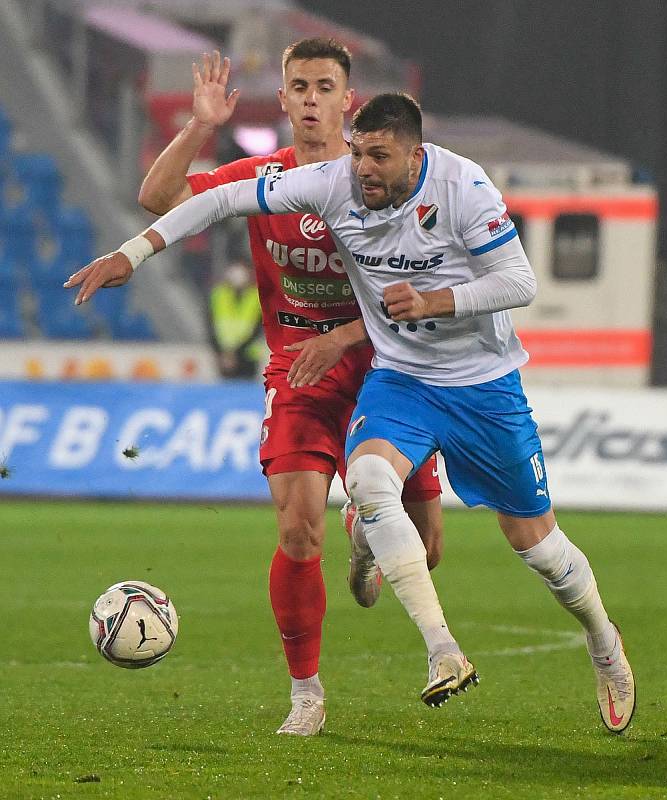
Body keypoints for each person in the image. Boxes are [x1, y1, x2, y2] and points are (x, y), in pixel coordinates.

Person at [65, 92, 636, 734]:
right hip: (401, 379)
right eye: (358, 152)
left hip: (482, 384)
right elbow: (221, 199)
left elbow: (519, 281)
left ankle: (602, 641)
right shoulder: (333, 182)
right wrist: (133, 253)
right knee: (366, 480)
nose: (363, 168)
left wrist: (434, 301)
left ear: (415, 156)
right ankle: (442, 650)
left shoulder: (463, 186)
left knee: (535, 545)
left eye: (379, 157)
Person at [134, 41, 444, 736]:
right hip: (298, 372)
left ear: (347, 101)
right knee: (296, 530)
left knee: (425, 551)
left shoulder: (377, 180)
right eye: (297, 85)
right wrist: (199, 127)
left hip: (388, 370)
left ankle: (366, 531)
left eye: (323, 86)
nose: (309, 97)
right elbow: (157, 200)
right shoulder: (260, 177)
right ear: (281, 100)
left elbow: (421, 280)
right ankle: (305, 693)